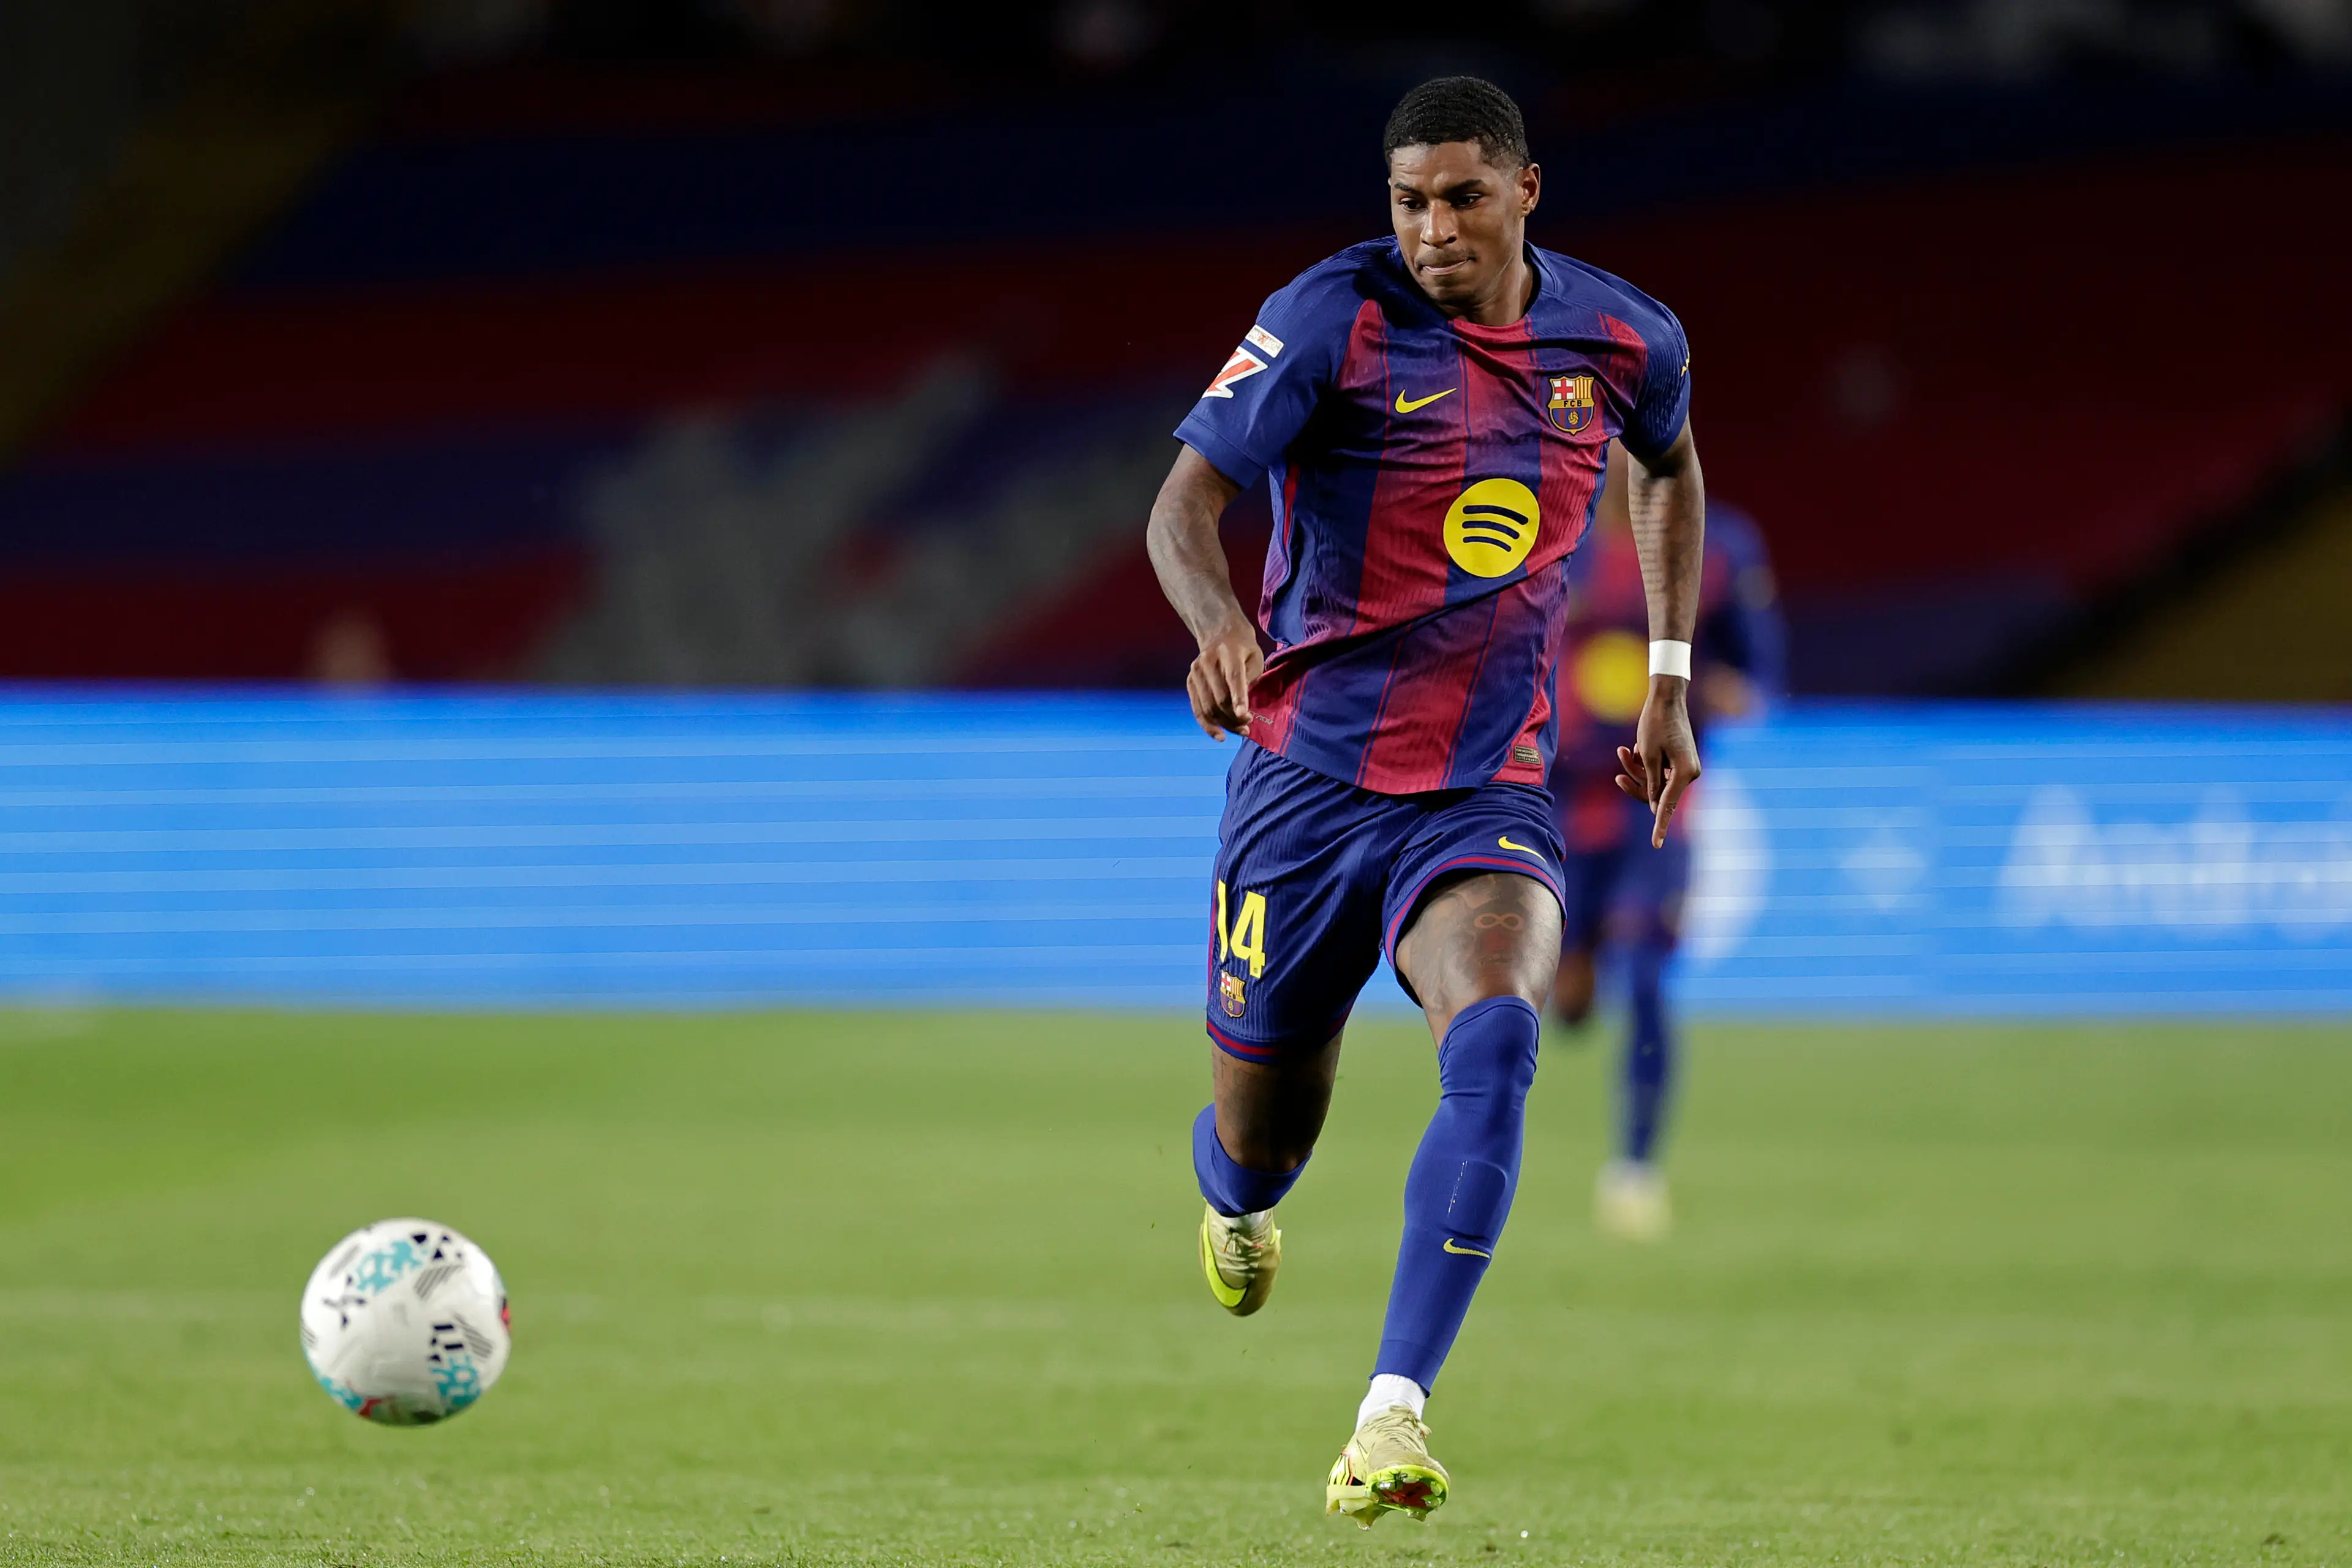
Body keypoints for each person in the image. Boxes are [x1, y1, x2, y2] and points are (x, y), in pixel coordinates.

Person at [1144, 75, 1707, 1526]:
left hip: (1482, 787)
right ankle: (1235, 1199)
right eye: (1409, 201)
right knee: (1265, 1133)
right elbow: (1184, 504)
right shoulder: (1331, 318)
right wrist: (1216, 621)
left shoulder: (1625, 336)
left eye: (1462, 196)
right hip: (1306, 785)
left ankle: (1390, 1410)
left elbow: (1671, 464)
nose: (1435, 227)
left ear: (1527, 190)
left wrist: (1666, 671)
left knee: (1501, 1033)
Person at [1547, 447, 1784, 1241]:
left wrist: (1725, 694)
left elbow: (1759, 676)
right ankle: (1574, 972)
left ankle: (1636, 1171)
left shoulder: (1718, 550)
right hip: (1560, 806)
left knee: (1647, 976)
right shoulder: (1557, 538)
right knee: (1561, 999)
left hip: (1659, 808)